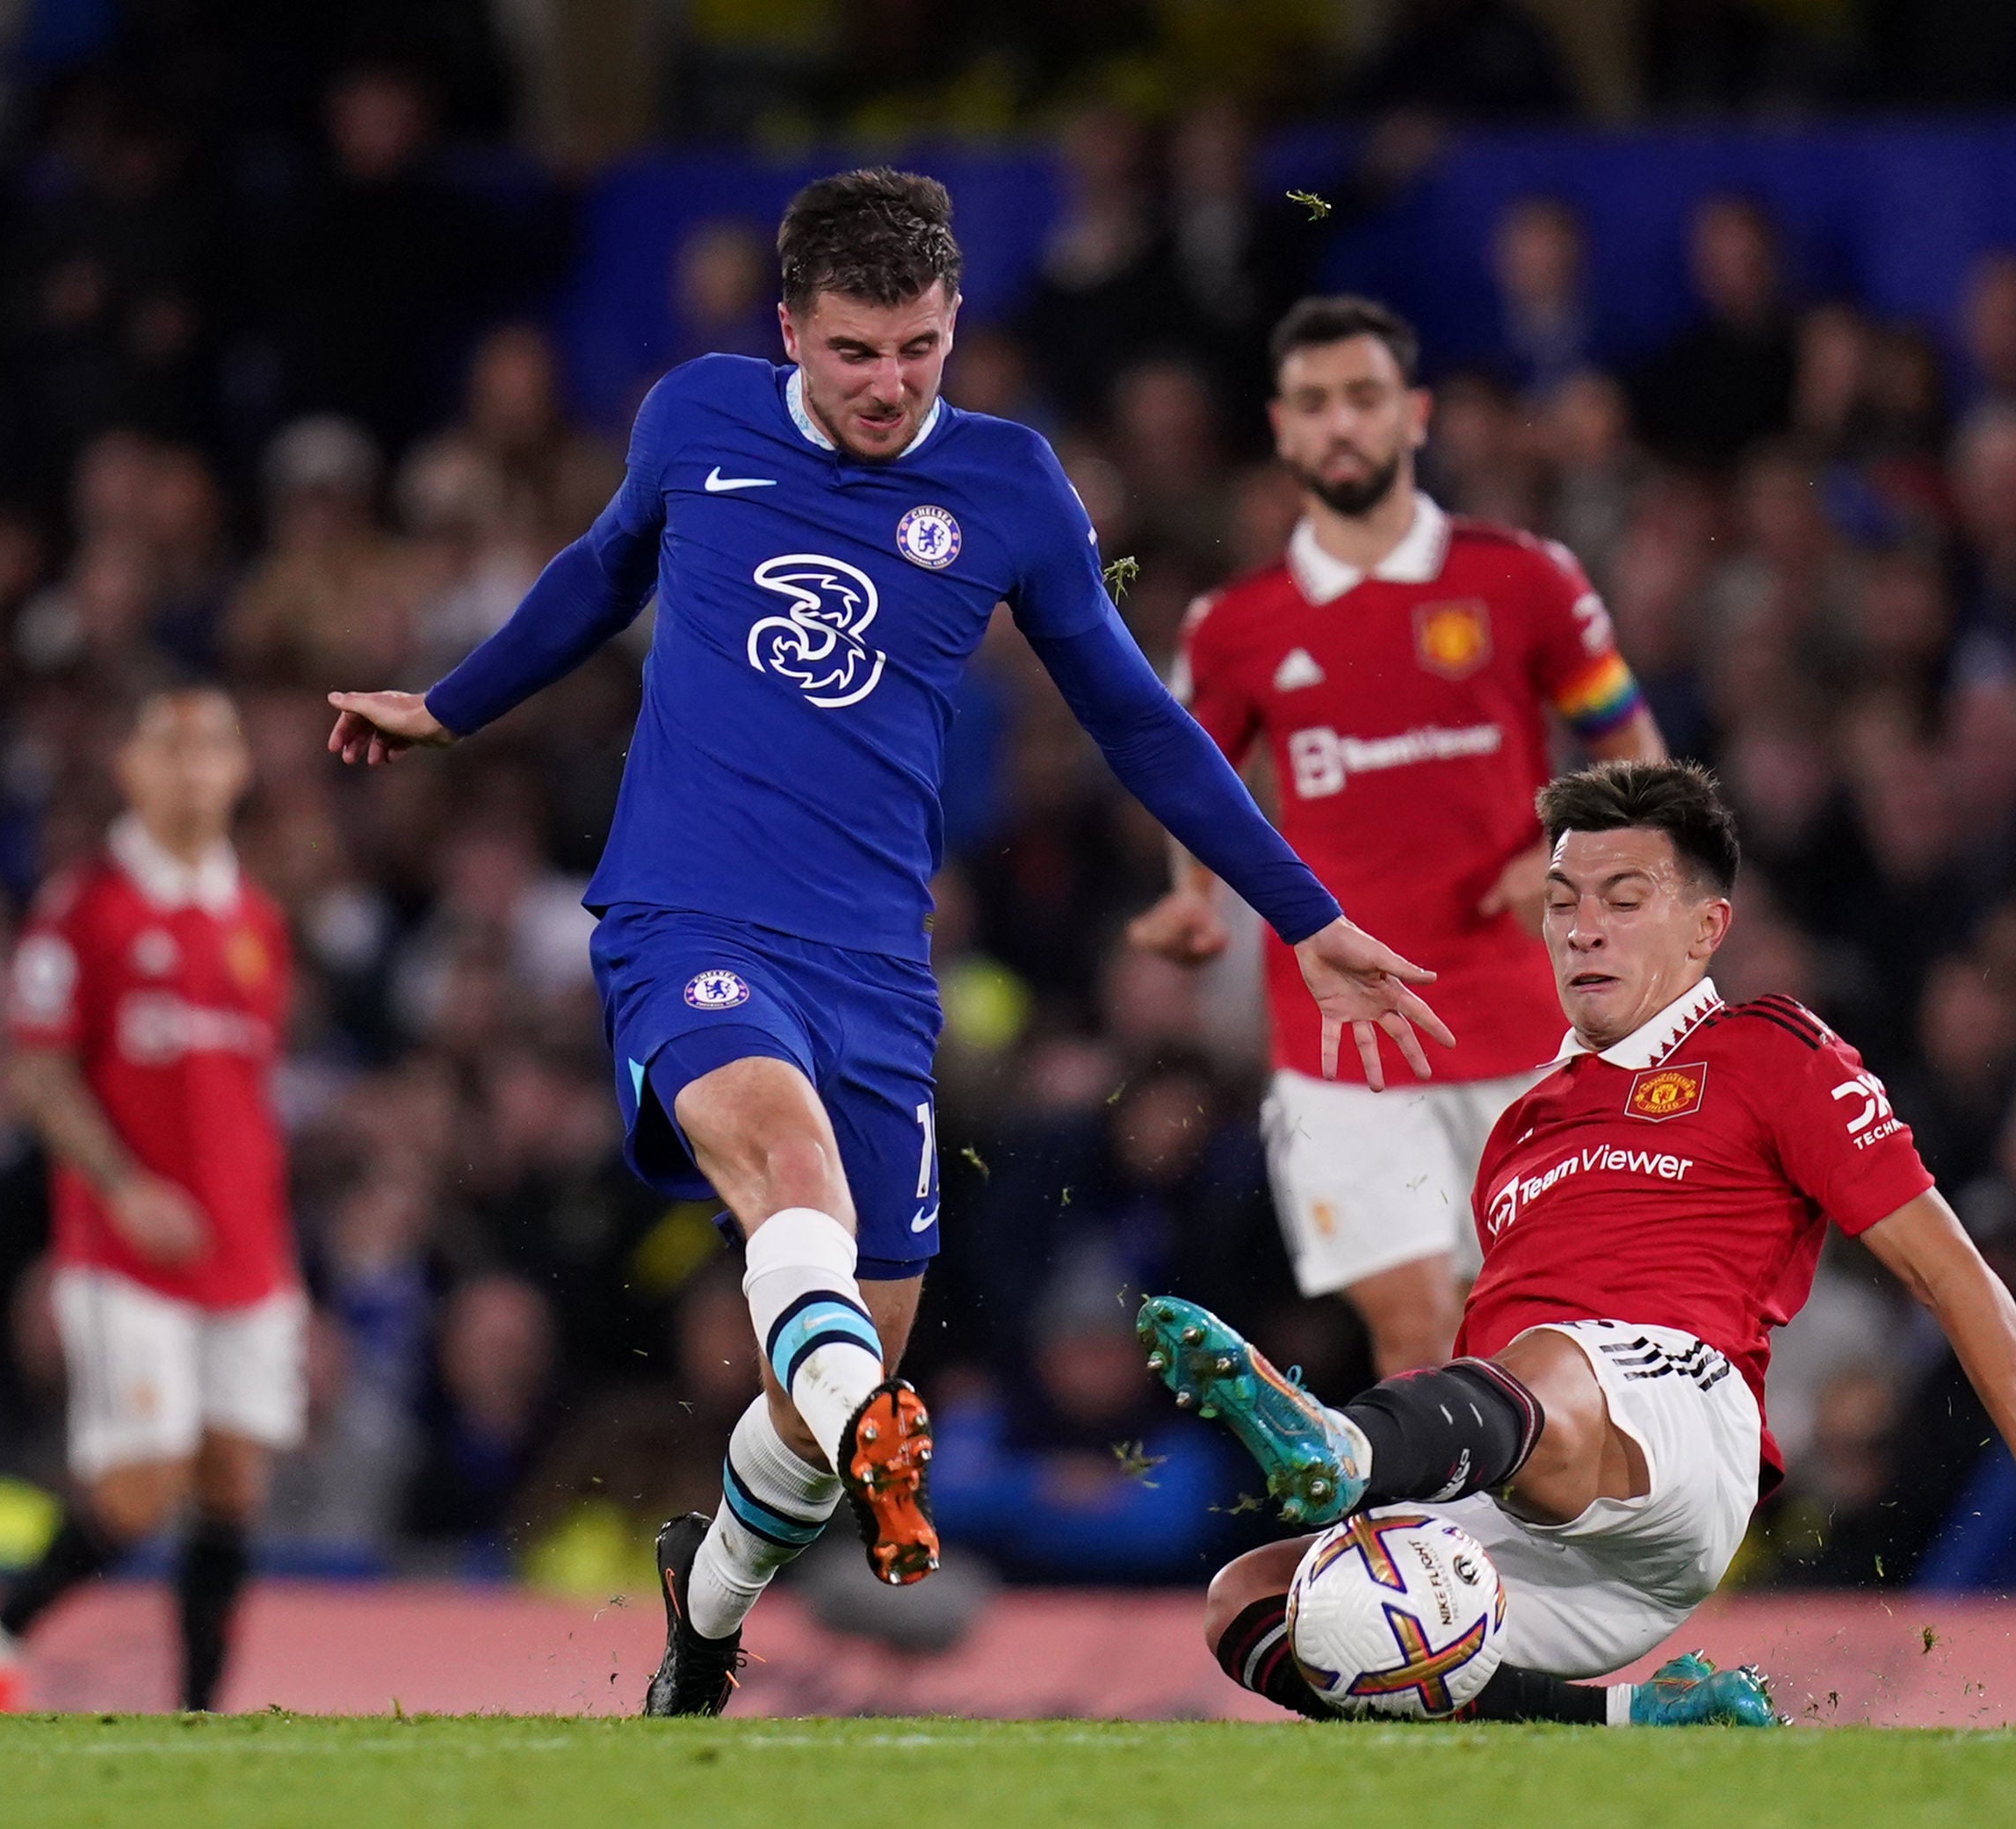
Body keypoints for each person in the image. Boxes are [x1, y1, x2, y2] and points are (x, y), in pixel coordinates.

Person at [322, 168, 1450, 1718]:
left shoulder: (1010, 486)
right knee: (788, 1179)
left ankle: (706, 1610)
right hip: (688, 917)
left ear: (954, 325)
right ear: (789, 330)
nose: (888, 383)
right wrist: (447, 705)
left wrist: (1305, 913)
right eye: (853, 351)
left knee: (829, 1373)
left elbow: (1132, 713)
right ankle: (874, 1455)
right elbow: (601, 572)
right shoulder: (695, 421)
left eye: (918, 347)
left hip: (874, 970)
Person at [1140, 760, 2016, 1727]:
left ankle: (1344, 1444)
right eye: (1561, 904)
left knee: (1550, 1357)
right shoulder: (1523, 1125)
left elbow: (1952, 1273)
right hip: (1538, 1518)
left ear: (1704, 928)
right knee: (1258, 1602)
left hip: (1678, 1437)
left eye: (1623, 900)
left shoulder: (1772, 1050)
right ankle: (1638, 1717)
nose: (1583, 930)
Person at [1131, 294, 1661, 1377]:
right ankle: (1432, 1551)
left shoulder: (1523, 575)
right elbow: (1191, 784)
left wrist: (1580, 853)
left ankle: (1527, 1549)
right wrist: (1189, 896)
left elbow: (1638, 753)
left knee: (1531, 1329)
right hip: (1341, 1036)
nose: (1341, 426)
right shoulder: (1233, 628)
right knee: (1414, 1327)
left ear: (1413, 414)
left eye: (1364, 398)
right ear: (1281, 428)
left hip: (1524, 1017)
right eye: (1315, 404)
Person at [0, 687, 300, 1713]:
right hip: (124, 1249)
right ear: (130, 770)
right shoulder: (85, 908)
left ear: (238, 772)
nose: (192, 769)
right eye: (169, 749)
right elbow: (41, 1073)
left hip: (245, 1249)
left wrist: (278, 1248)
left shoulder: (255, 922)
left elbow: (246, 1099)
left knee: (233, 1479)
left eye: (212, 749)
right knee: (142, 1488)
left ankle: (201, 1720)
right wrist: (124, 1187)